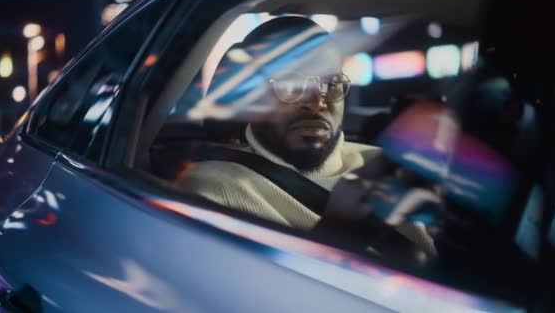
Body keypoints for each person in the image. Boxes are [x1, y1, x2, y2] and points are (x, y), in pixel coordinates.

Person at [178, 16, 436, 255]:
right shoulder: (212, 187)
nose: (317, 103)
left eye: (331, 83)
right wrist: (337, 232)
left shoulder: (386, 164)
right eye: (292, 85)